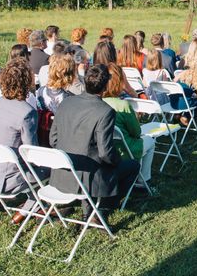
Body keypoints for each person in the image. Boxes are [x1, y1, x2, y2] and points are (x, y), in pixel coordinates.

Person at [50, 65, 140, 220]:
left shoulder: (66, 102)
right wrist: (117, 160)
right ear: (105, 86)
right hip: (90, 177)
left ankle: (91, 207)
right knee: (132, 166)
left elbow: (53, 140)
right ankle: (103, 207)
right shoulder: (105, 111)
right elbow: (105, 153)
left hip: (62, 174)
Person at [0, 57, 41, 225]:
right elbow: (31, 153)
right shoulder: (27, 112)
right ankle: (25, 211)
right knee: (53, 172)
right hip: (9, 180)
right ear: (27, 81)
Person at [103, 64, 155, 182]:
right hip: (126, 149)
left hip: (106, 149)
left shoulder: (98, 102)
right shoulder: (123, 105)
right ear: (119, 82)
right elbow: (136, 132)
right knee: (150, 141)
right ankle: (143, 181)